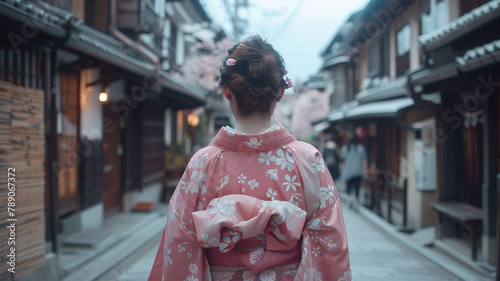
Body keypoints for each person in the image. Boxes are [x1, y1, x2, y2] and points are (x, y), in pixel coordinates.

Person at [148, 35, 351, 281]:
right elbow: (329, 242)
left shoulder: (202, 162)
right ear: (279, 93)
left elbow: (180, 241)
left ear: (227, 92)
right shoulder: (308, 159)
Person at [340, 136, 368, 210]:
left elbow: (343, 162)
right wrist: (365, 170)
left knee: (349, 187)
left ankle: (350, 199)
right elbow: (364, 161)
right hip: (358, 171)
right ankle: (356, 201)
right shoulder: (361, 148)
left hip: (348, 172)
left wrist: (342, 175)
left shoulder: (345, 149)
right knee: (357, 187)